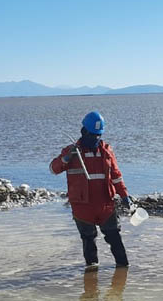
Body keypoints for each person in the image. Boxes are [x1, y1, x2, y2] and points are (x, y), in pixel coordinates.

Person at [50, 111, 130, 270]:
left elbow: (116, 176)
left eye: (98, 135)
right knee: (88, 240)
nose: (95, 138)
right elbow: (53, 169)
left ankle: (123, 271)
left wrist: (124, 195)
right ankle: (91, 279)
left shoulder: (107, 151)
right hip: (82, 207)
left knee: (114, 237)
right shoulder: (71, 152)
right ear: (84, 132)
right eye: (93, 135)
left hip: (105, 205)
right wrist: (65, 159)